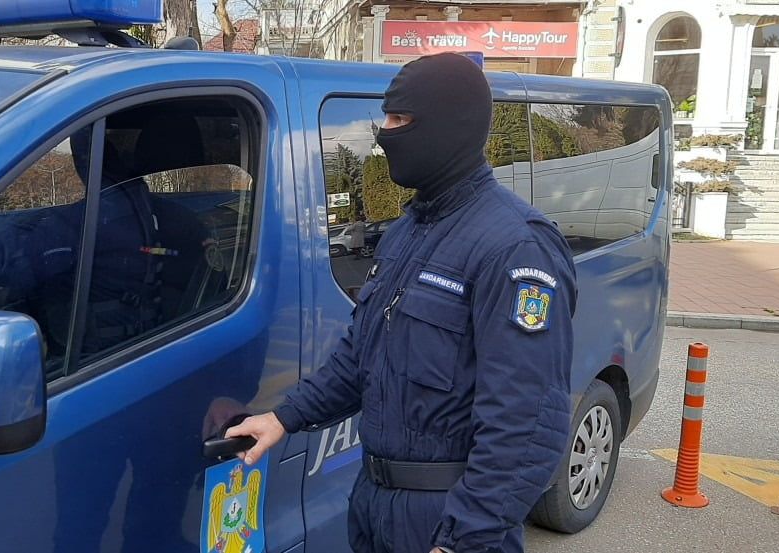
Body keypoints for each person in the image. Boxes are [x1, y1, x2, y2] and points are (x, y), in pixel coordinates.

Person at [225, 53, 577, 553]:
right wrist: (284, 417)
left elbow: (525, 424)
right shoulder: (406, 232)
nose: (384, 132)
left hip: (446, 519)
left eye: (400, 118)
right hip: (376, 503)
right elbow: (359, 358)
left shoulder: (514, 247)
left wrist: (461, 540)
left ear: (449, 127)